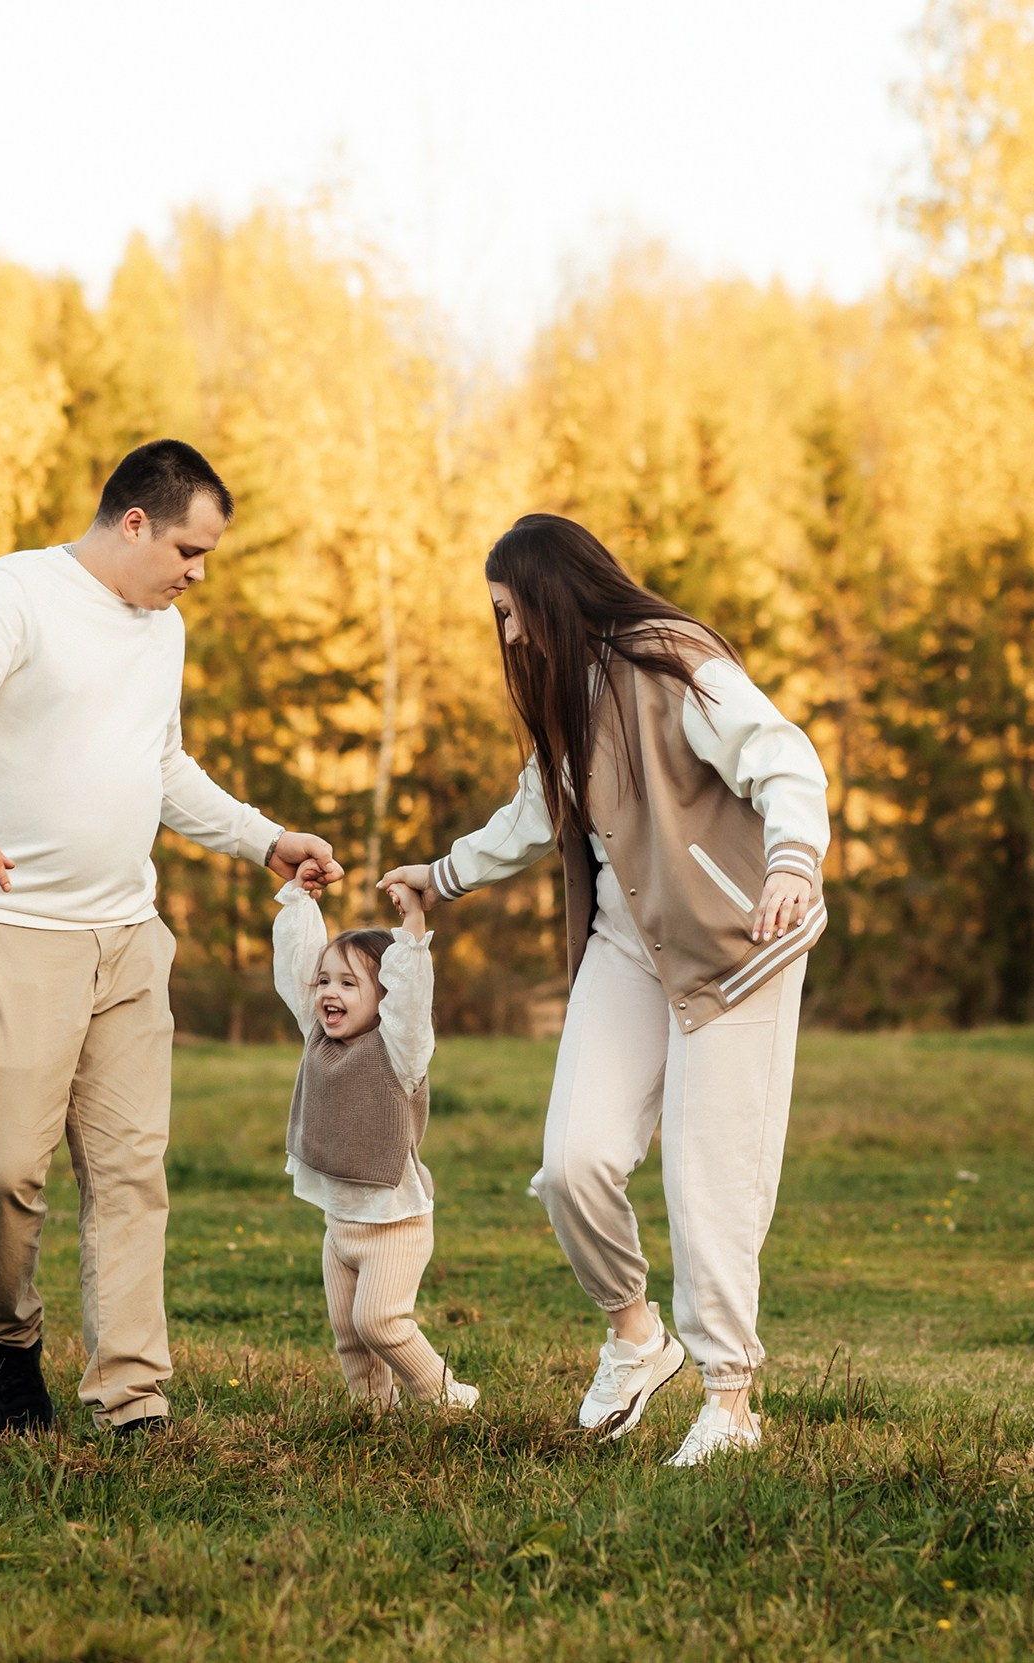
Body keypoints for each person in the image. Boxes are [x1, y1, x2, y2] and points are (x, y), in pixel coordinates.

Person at [0, 439, 342, 1438]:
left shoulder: (158, 629)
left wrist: (264, 838)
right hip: (7, 931)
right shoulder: (12, 595)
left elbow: (162, 765)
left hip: (127, 939)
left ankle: (130, 1395)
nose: (197, 572)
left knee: (131, 1172)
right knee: (7, 1168)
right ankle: (11, 1348)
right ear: (133, 521)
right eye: (188, 548)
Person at [380, 513, 829, 1467]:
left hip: (736, 943)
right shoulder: (567, 695)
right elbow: (535, 810)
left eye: (510, 610)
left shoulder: (674, 662)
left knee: (707, 1178)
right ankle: (635, 1336)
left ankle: (730, 1402)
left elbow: (783, 754)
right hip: (629, 951)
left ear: (552, 591)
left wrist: (792, 861)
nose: (507, 633)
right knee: (573, 1159)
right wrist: (440, 875)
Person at [270, 871, 479, 1410]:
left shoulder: (399, 1050)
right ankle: (372, 1414)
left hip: (395, 1223)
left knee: (379, 1321)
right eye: (326, 982)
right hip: (339, 1223)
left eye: (348, 983)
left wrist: (411, 931)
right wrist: (299, 901)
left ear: (383, 999)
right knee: (350, 1334)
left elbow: (411, 1002)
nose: (329, 993)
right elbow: (297, 967)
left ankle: (444, 1397)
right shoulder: (317, 1033)